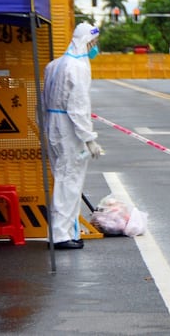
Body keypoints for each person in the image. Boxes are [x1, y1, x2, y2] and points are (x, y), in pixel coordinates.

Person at [42, 22, 103, 250]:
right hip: (69, 129)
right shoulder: (77, 67)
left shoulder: (54, 65)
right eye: (93, 43)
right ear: (86, 41)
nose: (95, 47)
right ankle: (61, 235)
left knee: (63, 178)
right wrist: (89, 138)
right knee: (70, 182)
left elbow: (44, 100)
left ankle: (65, 231)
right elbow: (77, 106)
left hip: (54, 126)